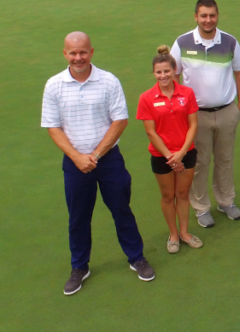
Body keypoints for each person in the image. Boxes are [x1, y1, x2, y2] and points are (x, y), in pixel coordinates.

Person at [41, 32, 153, 296]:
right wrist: (78, 158)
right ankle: (80, 266)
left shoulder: (108, 81)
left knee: (121, 209)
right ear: (64, 54)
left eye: (83, 52)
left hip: (109, 161)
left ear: (91, 52)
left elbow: (120, 121)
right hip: (74, 163)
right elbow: (53, 127)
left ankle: (136, 257)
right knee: (78, 217)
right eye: (72, 53)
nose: (78, 57)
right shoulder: (54, 85)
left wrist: (96, 155)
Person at [171, 0, 240, 228]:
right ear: (195, 17)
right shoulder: (182, 42)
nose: (208, 20)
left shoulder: (230, 42)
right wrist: (180, 108)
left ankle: (226, 201)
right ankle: (201, 207)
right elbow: (173, 74)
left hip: (226, 112)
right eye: (203, 15)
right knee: (201, 162)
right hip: (196, 116)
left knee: (225, 159)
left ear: (217, 16)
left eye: (212, 15)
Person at [136, 46, 204, 253]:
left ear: (174, 70)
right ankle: (173, 234)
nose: (163, 75)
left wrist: (181, 153)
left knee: (183, 194)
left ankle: (184, 232)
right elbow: (151, 132)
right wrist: (170, 157)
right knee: (168, 196)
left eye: (167, 71)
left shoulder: (187, 93)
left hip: (186, 153)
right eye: (159, 72)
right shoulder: (146, 98)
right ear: (154, 73)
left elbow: (193, 125)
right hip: (161, 157)